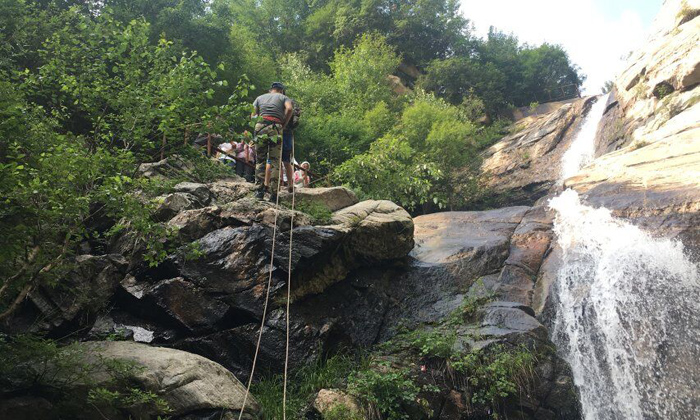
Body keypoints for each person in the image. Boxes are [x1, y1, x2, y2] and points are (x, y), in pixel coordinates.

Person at [252, 82, 293, 200]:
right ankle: (273, 194)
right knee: (275, 161)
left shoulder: (259, 98)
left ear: (271, 90)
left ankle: (259, 192)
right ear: (281, 90)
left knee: (260, 160)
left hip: (260, 126)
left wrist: (258, 125)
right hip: (276, 126)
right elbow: (289, 108)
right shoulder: (284, 97)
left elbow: (253, 115)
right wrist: (283, 123)